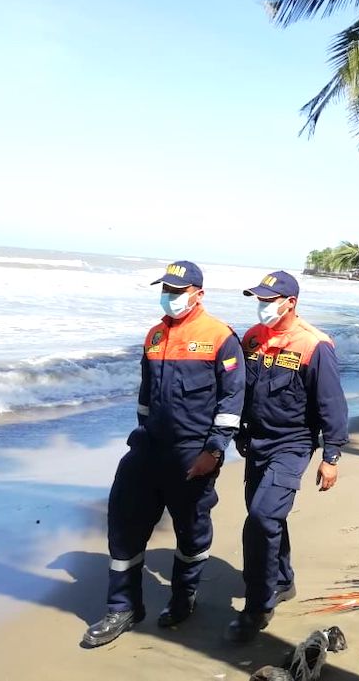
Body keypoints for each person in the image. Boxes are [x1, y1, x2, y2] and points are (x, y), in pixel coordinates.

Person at [82, 261, 245, 647]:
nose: (170, 297)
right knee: (123, 523)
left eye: (177, 291)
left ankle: (183, 597)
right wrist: (140, 434)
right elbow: (145, 394)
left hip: (193, 453)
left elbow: (232, 398)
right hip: (147, 448)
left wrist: (214, 450)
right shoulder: (154, 335)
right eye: (166, 290)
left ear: (198, 294)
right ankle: (122, 607)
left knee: (191, 531)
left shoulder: (220, 337)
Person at [227, 271, 349, 642]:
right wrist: (238, 430)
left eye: (268, 300)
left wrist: (332, 455)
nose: (262, 306)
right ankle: (282, 580)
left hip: (292, 444)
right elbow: (242, 389)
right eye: (259, 300)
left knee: (262, 519)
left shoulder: (314, 345)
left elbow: (332, 405)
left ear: (290, 302)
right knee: (265, 516)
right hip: (257, 443)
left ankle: (257, 606)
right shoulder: (252, 338)